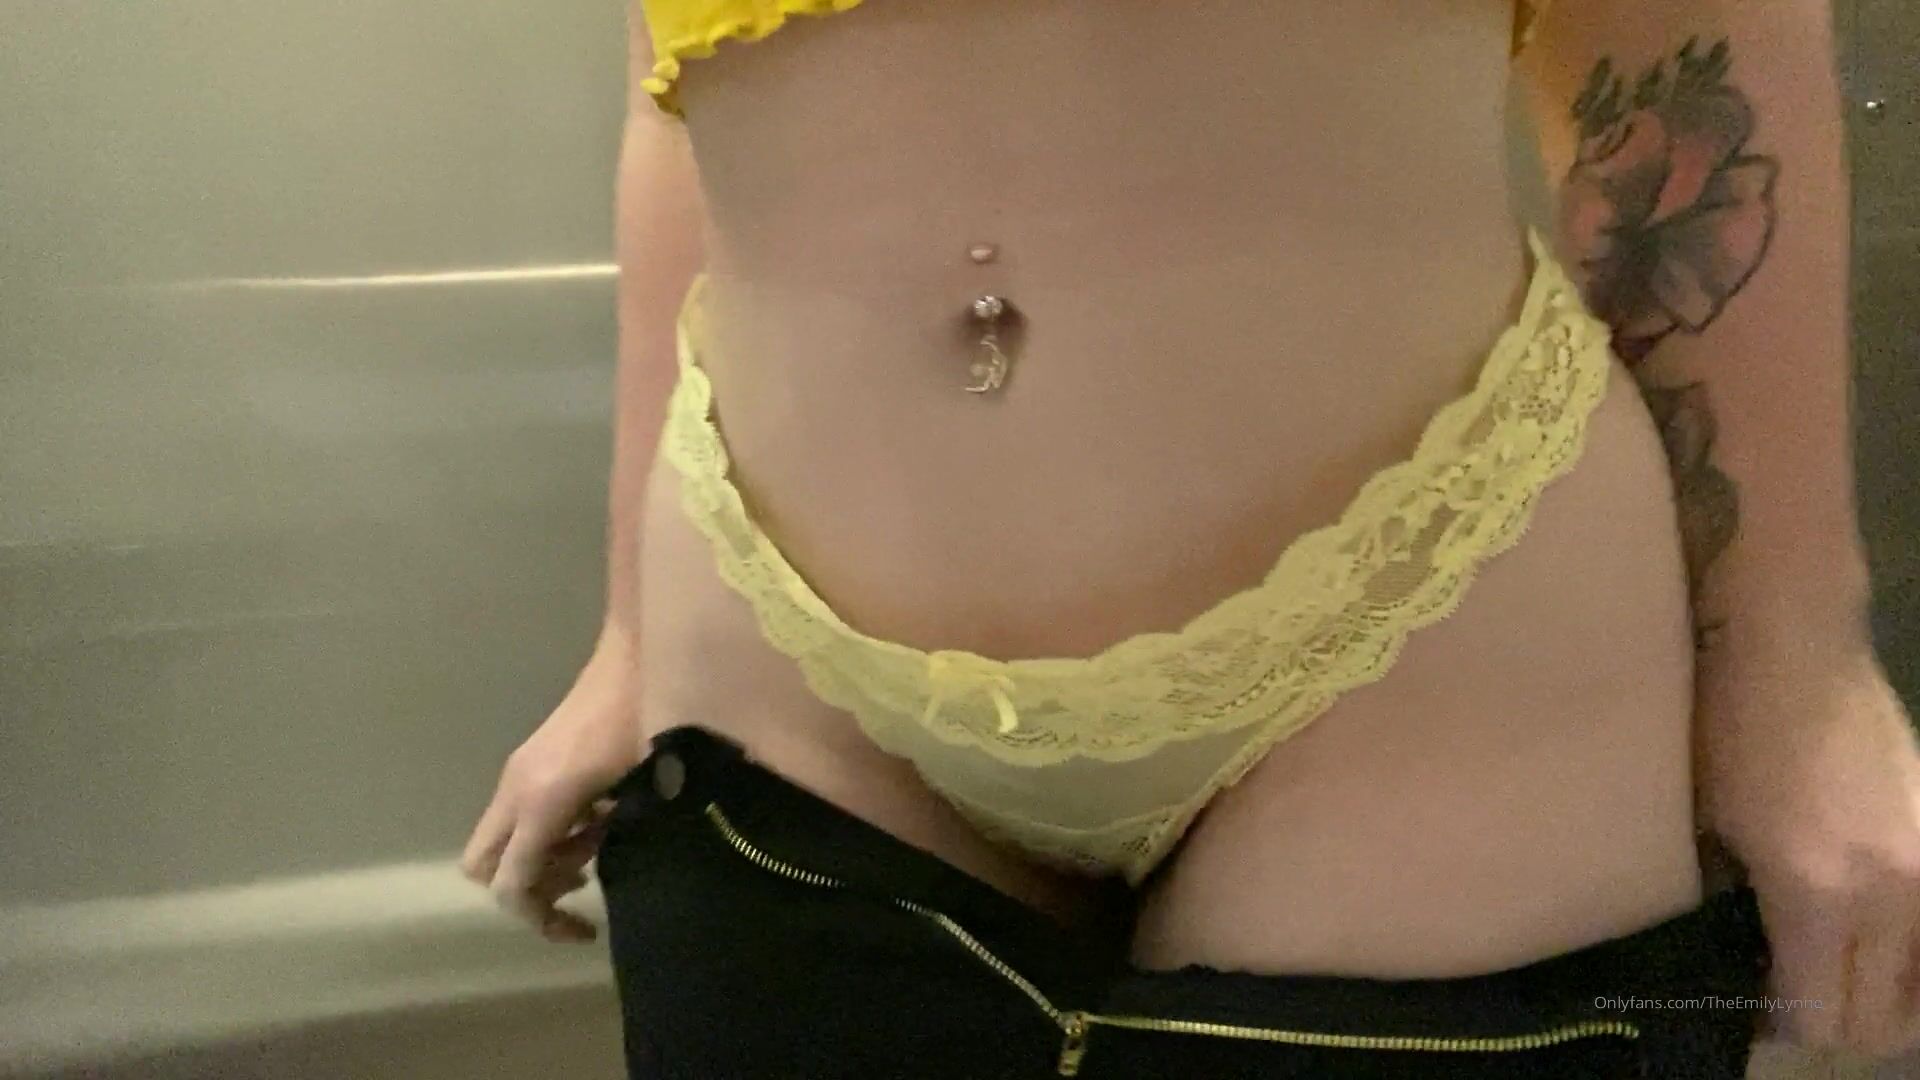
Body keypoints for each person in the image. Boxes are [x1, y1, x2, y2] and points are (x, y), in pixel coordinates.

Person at [463, 1, 1919, 1075]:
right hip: (782, 653)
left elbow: (1679, 65)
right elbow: (677, 91)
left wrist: (1796, 669)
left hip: (1425, 630)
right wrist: (630, 635)